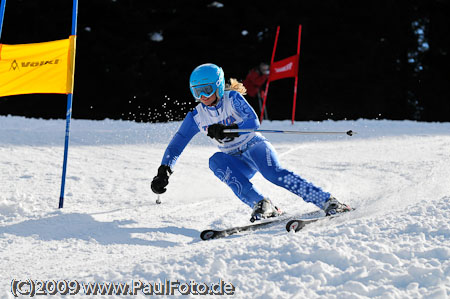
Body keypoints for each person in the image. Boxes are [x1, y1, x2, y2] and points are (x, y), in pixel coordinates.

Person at [151, 63, 351, 222]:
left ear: (219, 86)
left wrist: (228, 129)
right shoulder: (197, 116)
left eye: (206, 90)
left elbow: (252, 121)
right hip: (236, 160)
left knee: (274, 174)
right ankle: (262, 204)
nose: (202, 97)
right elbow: (177, 144)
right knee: (216, 161)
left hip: (255, 146)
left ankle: (327, 201)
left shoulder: (233, 98)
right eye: (197, 92)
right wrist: (164, 170)